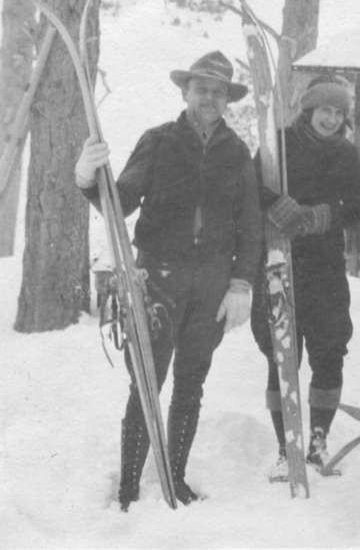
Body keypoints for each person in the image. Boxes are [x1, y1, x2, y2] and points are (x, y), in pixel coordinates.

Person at [74, 51, 262, 510]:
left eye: (219, 93)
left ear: (227, 101)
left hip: (212, 283)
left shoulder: (237, 153)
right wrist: (87, 175)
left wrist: (241, 284)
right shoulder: (158, 141)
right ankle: (129, 486)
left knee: (191, 383)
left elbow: (250, 226)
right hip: (159, 277)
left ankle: (174, 477)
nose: (209, 99)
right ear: (185, 93)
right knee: (147, 381)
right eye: (202, 90)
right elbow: (121, 202)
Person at [250, 74, 360, 479]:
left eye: (338, 112)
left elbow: (356, 207)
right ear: (309, 109)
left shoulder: (346, 155)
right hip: (279, 263)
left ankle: (317, 442)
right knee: (282, 353)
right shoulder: (276, 144)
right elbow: (248, 189)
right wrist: (273, 205)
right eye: (325, 110)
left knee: (330, 352)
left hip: (325, 267)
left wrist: (322, 215)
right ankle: (287, 448)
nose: (331, 119)